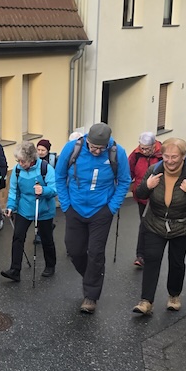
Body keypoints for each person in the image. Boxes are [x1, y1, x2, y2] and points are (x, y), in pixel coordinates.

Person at [55, 122, 132, 314]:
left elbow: (124, 181)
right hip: (75, 208)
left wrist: (111, 208)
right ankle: (91, 277)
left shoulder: (117, 152)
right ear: (87, 141)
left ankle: (91, 296)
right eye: (93, 147)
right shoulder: (72, 149)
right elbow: (59, 176)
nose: (97, 151)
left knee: (96, 252)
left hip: (101, 211)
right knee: (74, 250)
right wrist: (66, 205)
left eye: (101, 148)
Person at [132, 138, 186, 315]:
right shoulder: (154, 170)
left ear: (183, 156)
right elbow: (139, 194)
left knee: (176, 262)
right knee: (152, 259)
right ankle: (146, 301)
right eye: (166, 156)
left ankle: (174, 296)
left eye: (174, 157)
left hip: (183, 225)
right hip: (155, 222)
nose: (169, 161)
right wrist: (147, 186)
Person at [0, 141, 57, 281]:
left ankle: (50, 265)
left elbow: (54, 189)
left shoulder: (45, 168)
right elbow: (14, 191)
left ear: (32, 159)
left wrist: (43, 190)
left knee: (46, 239)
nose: (20, 164)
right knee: (18, 237)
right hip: (24, 208)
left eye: (23, 161)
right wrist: (10, 206)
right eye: (18, 161)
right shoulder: (17, 170)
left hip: (43, 209)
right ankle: (15, 270)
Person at [128, 131, 163, 268]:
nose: (144, 151)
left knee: (153, 225)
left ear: (154, 145)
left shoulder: (162, 154)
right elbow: (129, 172)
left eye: (147, 149)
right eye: (142, 148)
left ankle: (150, 254)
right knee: (144, 224)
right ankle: (141, 255)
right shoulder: (136, 154)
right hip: (141, 195)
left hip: (158, 196)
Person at [34, 139, 57, 244]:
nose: (40, 152)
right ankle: (41, 231)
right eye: (38, 150)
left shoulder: (52, 161)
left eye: (43, 150)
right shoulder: (34, 161)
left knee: (46, 211)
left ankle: (42, 232)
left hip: (48, 189)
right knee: (37, 212)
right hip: (38, 190)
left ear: (48, 151)